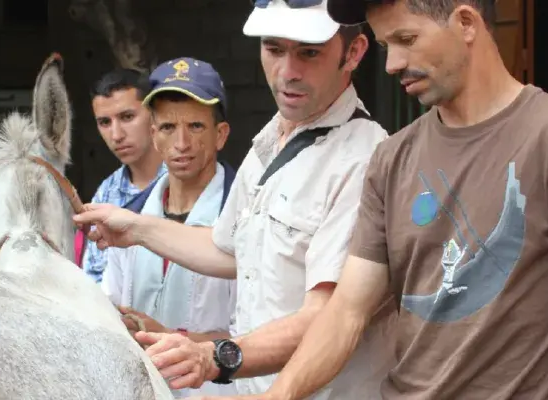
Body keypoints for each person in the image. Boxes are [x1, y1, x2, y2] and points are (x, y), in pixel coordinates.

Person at [257, 0, 548, 399]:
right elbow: (347, 311)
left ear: (466, 23)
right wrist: (277, 396)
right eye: (386, 46)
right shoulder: (392, 158)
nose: (391, 64)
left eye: (406, 38)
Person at [73, 1, 393, 398]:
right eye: (274, 49)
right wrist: (135, 227)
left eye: (309, 52)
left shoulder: (364, 157)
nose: (288, 72)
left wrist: (213, 357)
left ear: (354, 52)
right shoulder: (271, 139)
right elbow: (230, 250)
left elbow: (330, 316)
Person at [102, 57, 240, 398]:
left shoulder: (243, 219)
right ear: (154, 135)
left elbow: (260, 335)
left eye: (195, 126)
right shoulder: (128, 217)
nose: (181, 143)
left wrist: (171, 337)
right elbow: (110, 308)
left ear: (220, 135)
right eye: (167, 128)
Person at [83, 69, 168, 282]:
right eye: (105, 122)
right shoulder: (106, 193)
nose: (116, 135)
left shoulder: (184, 179)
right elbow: (94, 277)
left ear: (154, 114)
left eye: (127, 117)